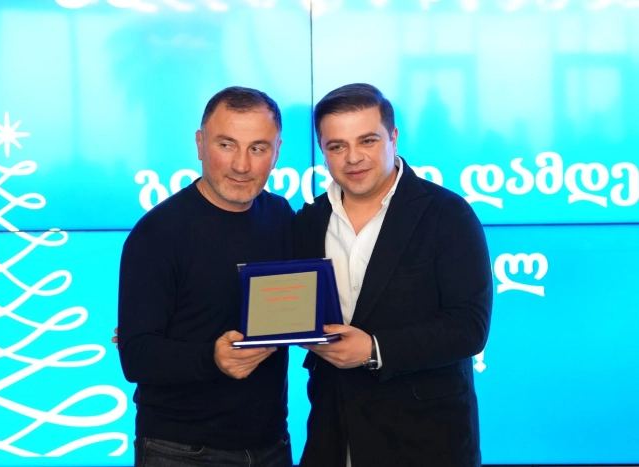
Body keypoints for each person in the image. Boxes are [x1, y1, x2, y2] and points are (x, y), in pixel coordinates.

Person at [294, 83, 493, 467]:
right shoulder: (309, 220)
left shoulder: (447, 214)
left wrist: (373, 349)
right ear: (322, 149)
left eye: (367, 141)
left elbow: (469, 327)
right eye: (337, 146)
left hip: (425, 442)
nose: (353, 157)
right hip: (333, 435)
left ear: (393, 137)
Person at [117, 86, 294, 467]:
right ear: (200, 144)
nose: (241, 165)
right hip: (181, 450)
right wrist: (211, 357)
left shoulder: (281, 216)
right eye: (226, 145)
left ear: (277, 151)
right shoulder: (157, 233)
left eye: (258, 148)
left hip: (271, 444)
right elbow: (135, 357)